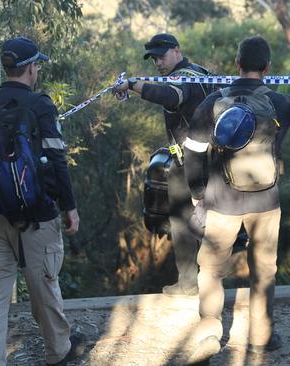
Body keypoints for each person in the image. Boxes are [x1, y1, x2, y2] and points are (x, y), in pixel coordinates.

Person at [183, 35, 290, 362]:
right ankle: (261, 336)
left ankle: (211, 329)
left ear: (237, 65)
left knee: (211, 269)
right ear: (267, 68)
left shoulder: (213, 102)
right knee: (264, 269)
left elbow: (193, 151)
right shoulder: (276, 101)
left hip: (220, 200)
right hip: (266, 201)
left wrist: (198, 193)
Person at [0, 36, 84, 366]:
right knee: (44, 285)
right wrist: (70, 207)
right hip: (37, 215)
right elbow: (57, 159)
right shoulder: (41, 106)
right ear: (32, 68)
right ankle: (59, 352)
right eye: (37, 64)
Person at [113, 33, 214, 296]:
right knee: (198, 222)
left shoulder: (184, 77)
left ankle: (194, 283)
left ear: (177, 51)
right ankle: (194, 282)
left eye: (162, 56)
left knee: (187, 223)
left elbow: (172, 97)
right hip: (202, 159)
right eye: (154, 59)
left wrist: (134, 85)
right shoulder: (200, 72)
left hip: (194, 163)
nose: (158, 62)